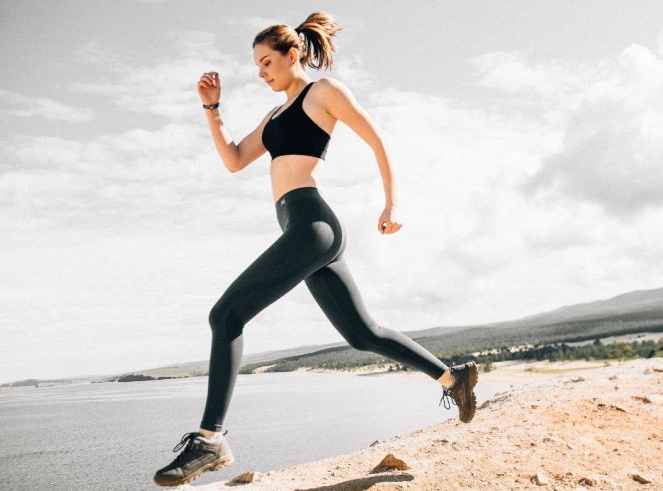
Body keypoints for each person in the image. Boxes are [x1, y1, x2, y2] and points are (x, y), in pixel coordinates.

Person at [153, 11, 478, 487]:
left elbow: (376, 139)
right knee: (363, 333)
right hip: (300, 228)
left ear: (293, 54)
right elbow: (235, 160)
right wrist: (212, 109)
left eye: (267, 62)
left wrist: (392, 202)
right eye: (257, 66)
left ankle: (210, 439)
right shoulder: (273, 116)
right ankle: (455, 378)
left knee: (226, 316)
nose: (261, 73)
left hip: (312, 225)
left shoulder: (322, 92)